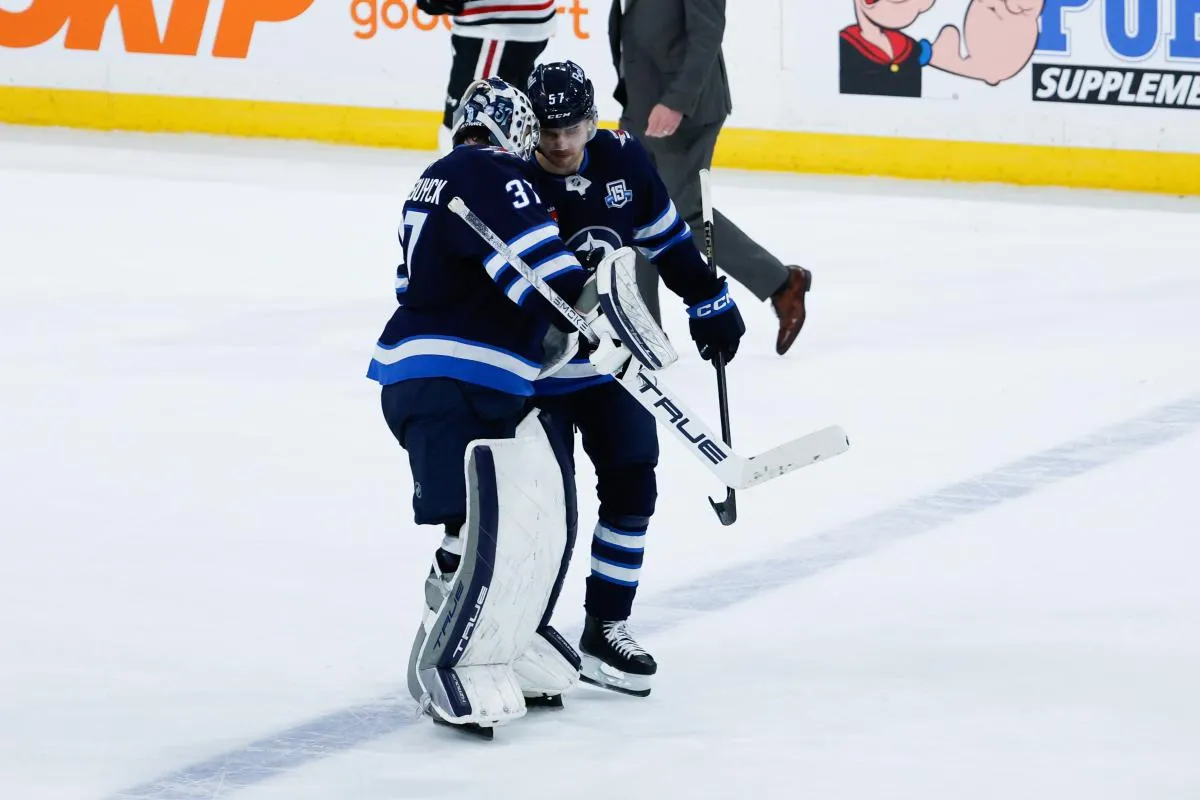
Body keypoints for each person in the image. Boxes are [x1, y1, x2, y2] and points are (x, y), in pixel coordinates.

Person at [366, 77, 590, 736]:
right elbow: (544, 275)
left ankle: (504, 640)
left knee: (517, 508)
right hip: (456, 378)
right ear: (515, 133)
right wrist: (588, 305)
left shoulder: (431, 180)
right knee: (475, 529)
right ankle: (448, 657)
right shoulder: (492, 173)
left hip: (432, 375)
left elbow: (432, 278)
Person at [524, 60, 746, 697]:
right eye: (547, 130)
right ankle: (519, 632)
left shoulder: (625, 162)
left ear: (594, 121)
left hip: (611, 365)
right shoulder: (510, 176)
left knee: (632, 484)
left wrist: (709, 300)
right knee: (542, 511)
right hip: (533, 373)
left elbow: (669, 242)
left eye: (572, 128)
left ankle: (607, 626)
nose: (560, 144)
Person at [607, 0, 813, 356]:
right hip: (641, 103)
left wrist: (677, 101)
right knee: (636, 212)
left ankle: (781, 282)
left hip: (684, 111)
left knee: (680, 213)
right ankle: (643, 330)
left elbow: (707, 32)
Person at [417, 0, 558, 152]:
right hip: (517, 22)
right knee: (516, 121)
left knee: (462, 126)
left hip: (496, 24)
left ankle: (461, 175)